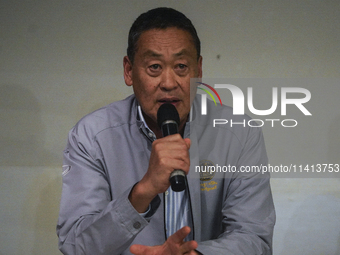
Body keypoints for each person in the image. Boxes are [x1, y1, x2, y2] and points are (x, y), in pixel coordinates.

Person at [57, 7, 275, 255]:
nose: (169, 83)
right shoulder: (91, 137)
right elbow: (76, 246)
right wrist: (142, 192)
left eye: (181, 66)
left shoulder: (239, 133)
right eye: (154, 67)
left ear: (199, 70)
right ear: (129, 71)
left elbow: (254, 237)